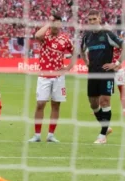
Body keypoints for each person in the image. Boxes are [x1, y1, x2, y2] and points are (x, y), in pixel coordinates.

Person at [81, 11, 125, 144]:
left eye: (94, 19)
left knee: (105, 101)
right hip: (92, 73)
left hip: (106, 73)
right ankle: (105, 127)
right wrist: (86, 63)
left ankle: (102, 136)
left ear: (99, 19)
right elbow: (82, 51)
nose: (92, 22)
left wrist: (116, 64)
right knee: (93, 103)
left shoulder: (107, 34)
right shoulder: (87, 37)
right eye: (89, 19)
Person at [28, 13, 74, 143]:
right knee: (40, 103)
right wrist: (49, 22)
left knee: (56, 105)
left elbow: (74, 52)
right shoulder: (45, 36)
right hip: (44, 75)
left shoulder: (65, 39)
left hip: (58, 76)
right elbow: (37, 36)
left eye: (58, 22)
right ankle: (37, 135)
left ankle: (50, 135)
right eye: (54, 22)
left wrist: (67, 68)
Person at [111, 18, 125, 118]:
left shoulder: (121, 38)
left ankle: (124, 110)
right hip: (109, 68)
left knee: (121, 88)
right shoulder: (111, 36)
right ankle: (101, 109)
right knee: (104, 90)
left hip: (118, 68)